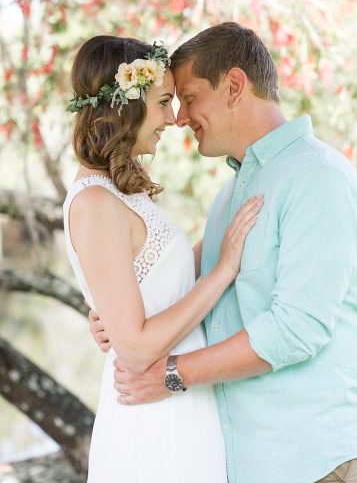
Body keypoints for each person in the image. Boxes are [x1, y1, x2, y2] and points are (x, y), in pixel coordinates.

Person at [89, 22, 357, 483]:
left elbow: (297, 329)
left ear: (233, 86)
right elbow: (190, 290)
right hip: (251, 463)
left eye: (189, 97)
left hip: (319, 460)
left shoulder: (319, 178)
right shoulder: (230, 197)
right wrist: (121, 313)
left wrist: (170, 374)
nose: (180, 118)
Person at [63, 35, 263, 482]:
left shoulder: (117, 193)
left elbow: (154, 284)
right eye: (163, 102)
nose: (173, 119)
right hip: (155, 422)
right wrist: (222, 271)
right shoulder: (95, 203)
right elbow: (135, 349)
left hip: (182, 409)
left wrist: (234, 223)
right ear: (125, 105)